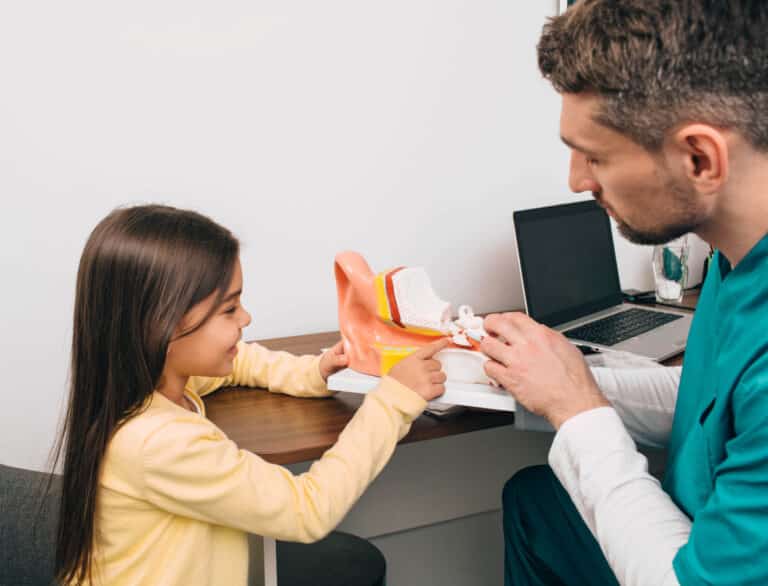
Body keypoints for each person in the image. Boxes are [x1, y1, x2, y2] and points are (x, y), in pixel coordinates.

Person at [480, 1, 768, 585]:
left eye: (596, 155)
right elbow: (709, 400)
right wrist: (561, 380)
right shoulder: (733, 256)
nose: (577, 180)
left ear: (699, 158)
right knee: (538, 502)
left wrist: (577, 408)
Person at [50, 204, 448, 585]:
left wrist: (311, 371)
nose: (246, 318)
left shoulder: (148, 386)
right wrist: (393, 399)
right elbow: (306, 509)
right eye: (229, 309)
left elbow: (239, 363)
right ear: (162, 324)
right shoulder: (160, 442)